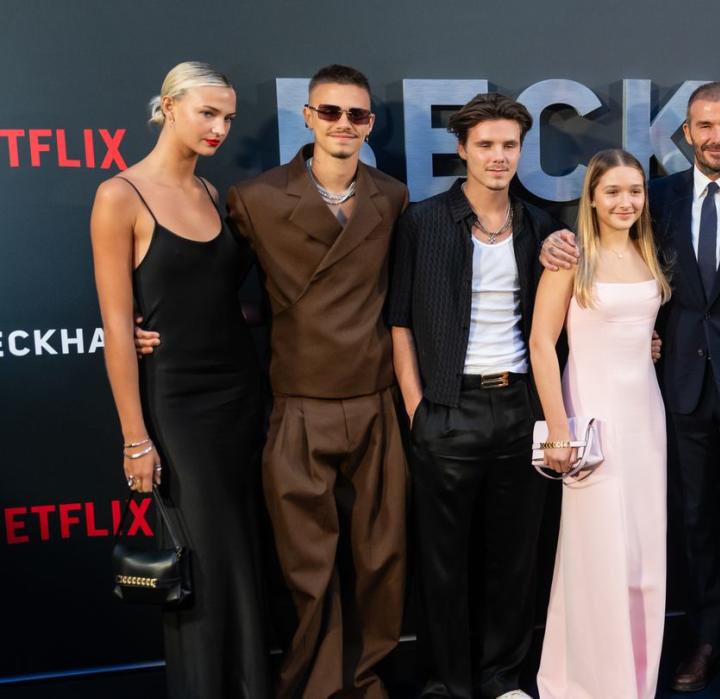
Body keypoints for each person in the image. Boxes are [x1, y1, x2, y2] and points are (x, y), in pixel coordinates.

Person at [542, 82, 720, 699]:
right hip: (675, 392)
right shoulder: (655, 197)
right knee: (691, 524)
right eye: (705, 126)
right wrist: (551, 241)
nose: (717, 136)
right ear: (687, 133)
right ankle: (702, 642)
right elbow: (609, 250)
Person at [230, 64, 409, 698]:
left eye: (356, 115)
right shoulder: (255, 198)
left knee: (381, 559)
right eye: (329, 112)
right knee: (308, 567)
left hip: (375, 401)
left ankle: (366, 678)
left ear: (370, 124)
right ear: (306, 117)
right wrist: (151, 322)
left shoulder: (391, 196)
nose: (342, 125)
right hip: (299, 403)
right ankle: (315, 685)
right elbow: (218, 289)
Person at [91, 61, 269, 697]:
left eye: (228, 118)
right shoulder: (120, 196)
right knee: (200, 566)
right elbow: (117, 326)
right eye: (207, 113)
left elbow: (218, 300)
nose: (220, 128)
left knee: (242, 560)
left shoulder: (214, 195)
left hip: (241, 398)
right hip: (177, 407)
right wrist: (135, 439)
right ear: (168, 107)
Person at [386, 92, 565, 699]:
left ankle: (500, 680)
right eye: (485, 145)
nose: (498, 157)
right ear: (461, 149)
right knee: (443, 562)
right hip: (447, 410)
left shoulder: (541, 224)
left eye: (509, 145)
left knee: (513, 560)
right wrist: (417, 410)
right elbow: (400, 322)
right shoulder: (423, 221)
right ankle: (447, 684)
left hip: (520, 408)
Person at [530, 149, 672, 699]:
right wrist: (559, 428)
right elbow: (542, 343)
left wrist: (648, 344)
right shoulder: (570, 257)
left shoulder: (648, 252)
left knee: (642, 551)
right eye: (612, 191)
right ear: (591, 196)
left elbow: (639, 330)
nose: (625, 201)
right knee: (596, 551)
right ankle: (589, 683)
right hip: (590, 418)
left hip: (646, 417)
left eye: (634, 190)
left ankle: (635, 679)